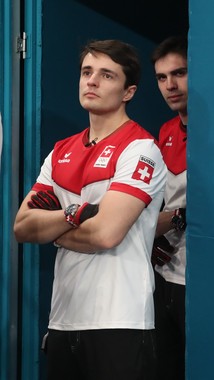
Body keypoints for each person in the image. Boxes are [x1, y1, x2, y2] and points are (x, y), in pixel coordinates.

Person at [13, 39, 167, 380]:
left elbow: (106, 233)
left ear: (128, 92)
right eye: (87, 72)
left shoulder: (141, 149)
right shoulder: (59, 152)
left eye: (106, 75)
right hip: (63, 320)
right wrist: (72, 215)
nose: (92, 81)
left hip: (120, 322)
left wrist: (54, 231)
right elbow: (23, 227)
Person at [149, 35, 188, 380]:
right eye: (162, 78)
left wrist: (178, 219)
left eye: (180, 73)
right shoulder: (166, 131)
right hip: (165, 274)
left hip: (204, 282)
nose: (170, 85)